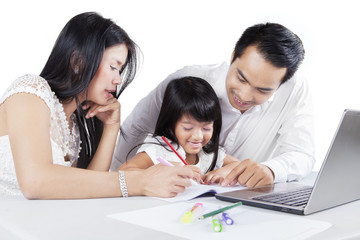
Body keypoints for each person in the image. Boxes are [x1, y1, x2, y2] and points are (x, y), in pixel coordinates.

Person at [0, 12, 193, 199]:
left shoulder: (75, 124)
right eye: (113, 67)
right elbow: (36, 182)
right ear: (78, 62)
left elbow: (87, 189)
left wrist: (111, 128)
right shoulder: (30, 91)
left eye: (121, 70)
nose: (118, 80)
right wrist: (139, 181)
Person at [112, 22, 315, 188]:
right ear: (233, 56)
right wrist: (119, 187)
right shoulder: (186, 81)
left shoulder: (294, 90)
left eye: (263, 90)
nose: (244, 95)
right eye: (241, 78)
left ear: (282, 83)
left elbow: (302, 153)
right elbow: (135, 129)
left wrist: (270, 169)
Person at [119, 76, 238, 182]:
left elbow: (238, 165)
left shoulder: (208, 151)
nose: (198, 136)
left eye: (206, 128)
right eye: (188, 128)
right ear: (171, 124)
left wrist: (222, 172)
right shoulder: (160, 149)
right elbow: (123, 172)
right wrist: (164, 173)